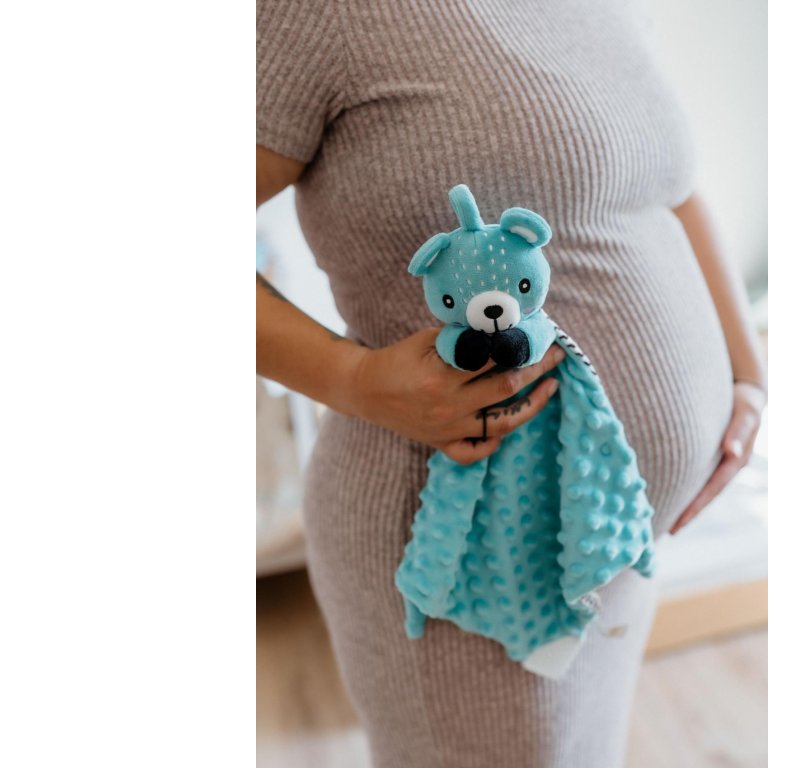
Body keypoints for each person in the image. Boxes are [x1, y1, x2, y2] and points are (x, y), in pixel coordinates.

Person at [256, 0, 767, 765]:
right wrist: (354, 379)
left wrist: (748, 373)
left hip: (606, 534)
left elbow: (672, 187)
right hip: (471, 558)